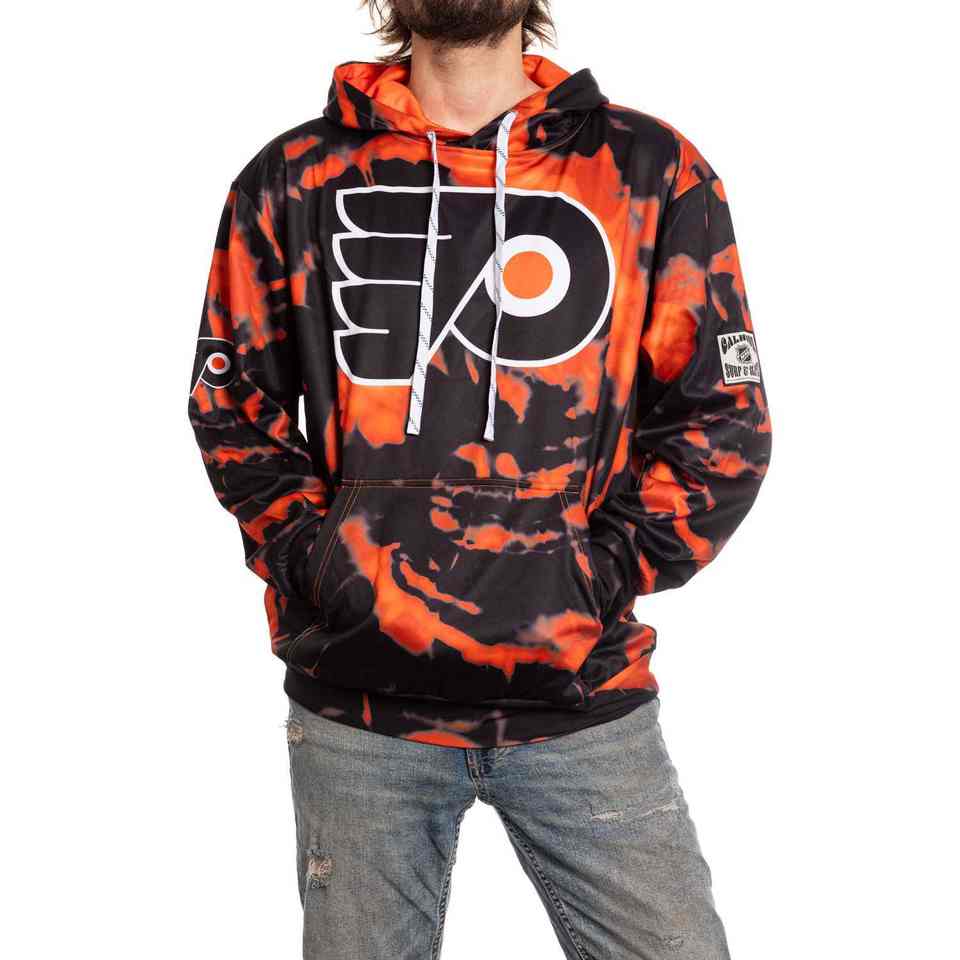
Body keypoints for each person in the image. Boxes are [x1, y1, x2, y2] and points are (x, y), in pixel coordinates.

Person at [188, 1, 772, 956]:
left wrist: (593, 576)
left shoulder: (648, 171)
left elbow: (723, 418)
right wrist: (324, 564)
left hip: (580, 693)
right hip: (360, 705)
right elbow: (231, 405)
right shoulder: (292, 178)